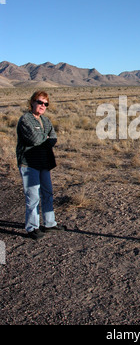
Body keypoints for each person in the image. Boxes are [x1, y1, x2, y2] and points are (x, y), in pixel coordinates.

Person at [16, 91, 65, 240]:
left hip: (44, 162)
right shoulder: (25, 120)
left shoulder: (46, 120)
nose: (42, 106)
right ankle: (32, 227)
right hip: (29, 163)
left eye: (45, 104)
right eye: (39, 102)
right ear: (32, 102)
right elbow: (34, 139)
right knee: (33, 197)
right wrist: (46, 138)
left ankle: (49, 223)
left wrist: (47, 139)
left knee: (48, 193)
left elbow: (53, 138)